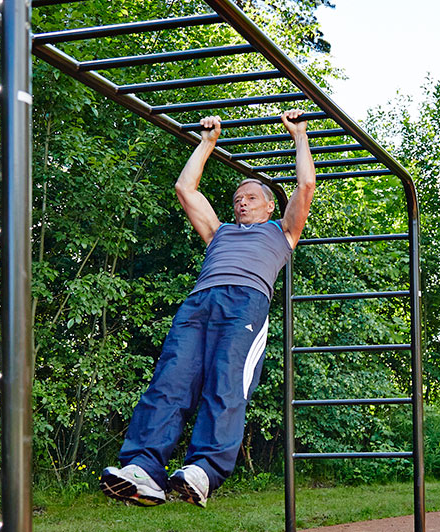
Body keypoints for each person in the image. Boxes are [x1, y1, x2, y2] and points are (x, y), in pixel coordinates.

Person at [100, 110, 317, 508]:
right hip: (200, 303)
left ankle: (204, 470)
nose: (242, 203)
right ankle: (145, 470)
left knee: (226, 384)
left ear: (270, 207)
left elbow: (305, 185)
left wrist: (299, 135)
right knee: (169, 382)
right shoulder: (219, 232)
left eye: (251, 198)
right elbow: (186, 188)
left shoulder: (283, 232)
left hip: (245, 305)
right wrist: (207, 143)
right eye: (237, 199)